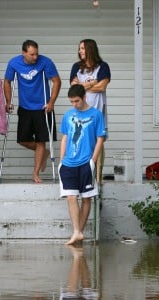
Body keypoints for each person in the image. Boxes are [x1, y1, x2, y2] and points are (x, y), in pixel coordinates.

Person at [4, 40, 61, 183]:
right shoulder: (14, 63)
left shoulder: (45, 62)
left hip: (42, 107)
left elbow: (57, 81)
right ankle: (44, 153)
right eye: (32, 54)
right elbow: (7, 81)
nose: (35, 57)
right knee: (23, 140)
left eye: (37, 53)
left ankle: (35, 174)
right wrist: (8, 101)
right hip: (25, 107)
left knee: (41, 141)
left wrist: (51, 102)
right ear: (24, 53)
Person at [59, 85, 106, 245]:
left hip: (86, 162)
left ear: (84, 97)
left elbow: (100, 138)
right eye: (71, 101)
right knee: (71, 197)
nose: (74, 104)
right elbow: (65, 138)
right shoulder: (68, 115)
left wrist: (93, 160)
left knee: (86, 198)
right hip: (68, 163)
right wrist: (61, 160)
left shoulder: (96, 115)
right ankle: (77, 232)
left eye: (77, 101)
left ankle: (78, 232)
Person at [69, 39, 111, 183]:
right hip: (80, 111)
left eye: (82, 48)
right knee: (81, 140)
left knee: (99, 140)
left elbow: (102, 87)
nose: (80, 51)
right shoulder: (76, 67)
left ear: (90, 49)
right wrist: (92, 82)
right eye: (79, 48)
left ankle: (97, 176)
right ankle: (83, 173)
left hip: (98, 110)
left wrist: (84, 85)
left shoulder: (103, 66)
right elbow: (74, 89)